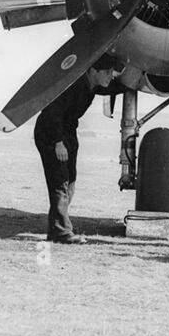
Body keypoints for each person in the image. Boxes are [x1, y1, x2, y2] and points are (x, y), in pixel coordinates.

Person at [34, 58, 116, 244]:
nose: (111, 77)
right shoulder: (72, 83)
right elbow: (52, 111)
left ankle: (57, 228)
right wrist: (57, 142)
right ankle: (61, 233)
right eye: (107, 72)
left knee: (70, 183)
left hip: (68, 133)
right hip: (51, 133)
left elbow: (114, 87)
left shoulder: (92, 84)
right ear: (93, 70)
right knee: (60, 181)